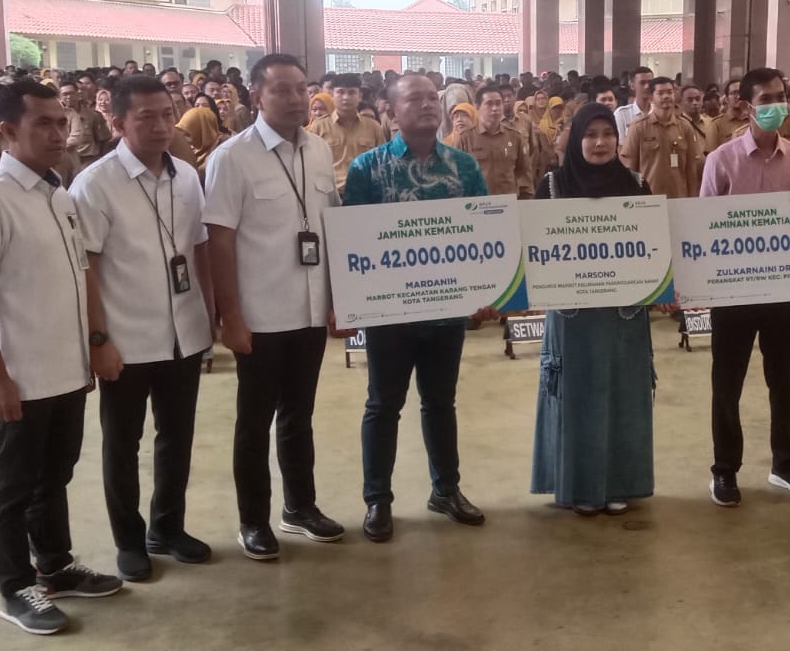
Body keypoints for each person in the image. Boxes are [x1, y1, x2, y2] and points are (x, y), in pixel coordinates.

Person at [0, 79, 123, 635]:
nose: (58, 133)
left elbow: (81, 275)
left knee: (55, 473)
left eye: (60, 122)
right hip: (21, 376)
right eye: (43, 125)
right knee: (12, 487)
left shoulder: (59, 194)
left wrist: (95, 345)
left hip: (66, 368)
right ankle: (15, 587)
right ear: (8, 131)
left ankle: (54, 564)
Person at [69, 76, 215, 582]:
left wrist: (212, 313)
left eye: (165, 113)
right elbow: (83, 267)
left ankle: (167, 528)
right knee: (122, 444)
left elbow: (198, 248)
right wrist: (98, 339)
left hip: (184, 330)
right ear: (118, 123)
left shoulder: (187, 177)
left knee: (177, 436)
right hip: (125, 338)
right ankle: (129, 541)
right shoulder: (95, 184)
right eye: (145, 117)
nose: (159, 126)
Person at [204, 54, 346, 561]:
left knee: (299, 415)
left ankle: (300, 507)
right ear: (256, 97)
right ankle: (253, 521)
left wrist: (336, 300)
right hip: (259, 316)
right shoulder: (232, 157)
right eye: (281, 90)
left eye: (300, 88)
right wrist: (230, 315)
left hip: (308, 311)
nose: (294, 98)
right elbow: (218, 242)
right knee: (254, 420)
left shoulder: (320, 150)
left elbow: (330, 231)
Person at [343, 73, 494, 542]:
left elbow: (484, 235)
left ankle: (446, 489)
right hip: (390, 314)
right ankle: (377, 500)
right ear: (391, 110)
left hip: (447, 312)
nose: (428, 105)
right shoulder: (367, 169)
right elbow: (355, 245)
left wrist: (486, 293)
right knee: (383, 404)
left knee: (440, 403)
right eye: (415, 99)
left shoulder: (464, 167)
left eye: (434, 98)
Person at [698, 67, 790, 507]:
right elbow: (705, 230)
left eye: (780, 96)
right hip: (733, 295)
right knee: (727, 384)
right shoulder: (722, 161)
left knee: (783, 380)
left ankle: (786, 465)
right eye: (766, 99)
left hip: (783, 292)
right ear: (747, 106)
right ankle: (725, 471)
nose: (776, 105)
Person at [530, 103, 658, 516]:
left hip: (623, 312)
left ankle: (620, 483)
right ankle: (579, 485)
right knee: (576, 395)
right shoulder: (552, 185)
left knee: (622, 395)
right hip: (572, 316)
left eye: (607, 133)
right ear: (575, 137)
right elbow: (533, 249)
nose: (600, 142)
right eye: (590, 134)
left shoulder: (637, 185)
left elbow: (654, 246)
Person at [622, 77, 706, 198]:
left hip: (679, 198)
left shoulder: (685, 126)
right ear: (651, 97)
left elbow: (691, 168)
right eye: (660, 93)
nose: (666, 96)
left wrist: (692, 199)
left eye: (670, 92)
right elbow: (630, 170)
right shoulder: (638, 128)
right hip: (649, 200)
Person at [307, 73, 391, 193]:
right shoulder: (319, 127)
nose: (346, 97)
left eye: (351, 92)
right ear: (332, 94)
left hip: (365, 193)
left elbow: (383, 162)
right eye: (340, 92)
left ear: (360, 96)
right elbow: (311, 165)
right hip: (332, 194)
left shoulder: (373, 127)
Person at [453, 85, 534, 198]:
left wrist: (526, 199)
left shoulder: (514, 137)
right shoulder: (465, 139)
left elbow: (524, 173)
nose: (495, 108)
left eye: (498, 103)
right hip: (477, 206)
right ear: (477, 107)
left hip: (508, 204)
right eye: (489, 104)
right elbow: (455, 176)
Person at [59, 80, 112, 173]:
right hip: (66, 162)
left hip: (89, 162)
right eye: (65, 94)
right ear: (60, 97)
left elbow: (104, 141)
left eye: (72, 93)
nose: (69, 97)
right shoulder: (56, 116)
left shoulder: (93, 115)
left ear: (78, 94)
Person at [704, 79, 749, 154]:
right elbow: (711, 156)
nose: (738, 96)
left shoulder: (752, 121)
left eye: (741, 92)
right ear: (727, 98)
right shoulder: (716, 124)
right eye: (734, 93)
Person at [614, 66, 654, 137]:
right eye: (642, 83)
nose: (647, 86)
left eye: (650, 83)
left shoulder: (658, 111)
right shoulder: (622, 114)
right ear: (632, 85)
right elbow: (620, 146)